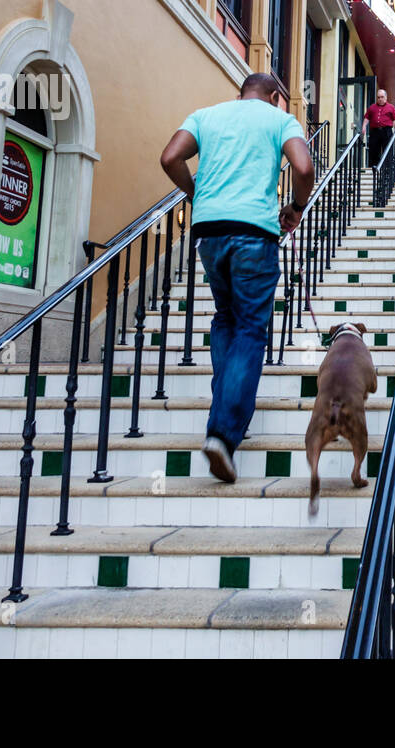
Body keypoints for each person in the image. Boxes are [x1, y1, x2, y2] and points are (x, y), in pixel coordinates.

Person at [159, 72, 314, 483]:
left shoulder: (206, 115)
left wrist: (196, 194)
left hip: (209, 232)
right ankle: (223, 434)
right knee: (250, 328)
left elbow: (169, 157)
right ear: (277, 96)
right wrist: (296, 208)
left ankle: (222, 419)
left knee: (225, 318)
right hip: (254, 234)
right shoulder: (281, 121)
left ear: (240, 93)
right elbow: (303, 165)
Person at [362, 88, 395, 167]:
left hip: (386, 131)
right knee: (374, 150)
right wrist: (364, 126)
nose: (380, 99)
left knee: (387, 150)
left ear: (386, 97)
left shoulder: (391, 107)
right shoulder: (372, 107)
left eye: (382, 97)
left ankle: (387, 168)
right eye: (378, 97)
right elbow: (366, 117)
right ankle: (374, 168)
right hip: (374, 132)